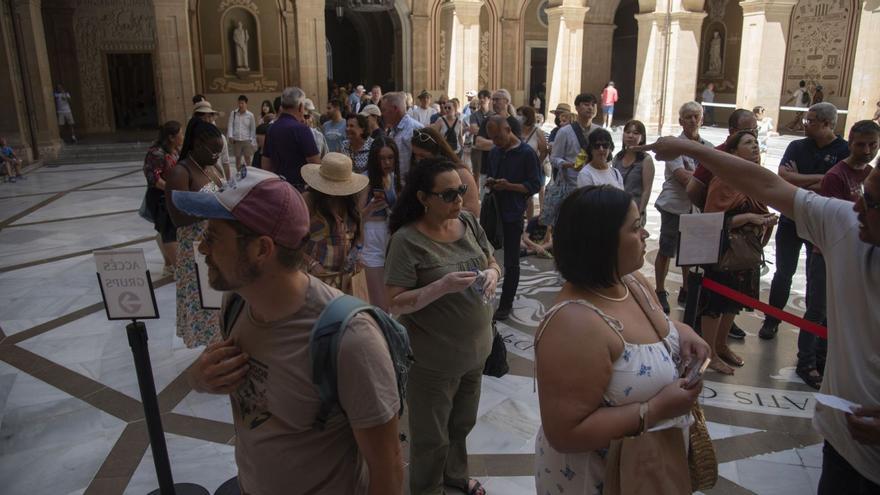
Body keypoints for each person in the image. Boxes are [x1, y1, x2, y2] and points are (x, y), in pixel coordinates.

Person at [639, 132, 880, 495]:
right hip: (843, 447)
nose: (857, 205)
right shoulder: (846, 225)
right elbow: (766, 183)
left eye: (872, 202)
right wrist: (689, 148)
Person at [175, 166, 403, 495]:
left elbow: (388, 469)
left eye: (212, 237)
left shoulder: (352, 341)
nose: (202, 249)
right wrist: (199, 378)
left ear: (262, 249)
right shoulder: (237, 303)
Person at [534, 185, 710, 495]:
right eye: (636, 228)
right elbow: (565, 432)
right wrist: (655, 409)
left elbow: (660, 328)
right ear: (601, 243)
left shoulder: (631, 281)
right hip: (601, 479)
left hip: (648, 467)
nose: (645, 236)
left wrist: (687, 335)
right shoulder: (574, 323)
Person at [385, 158, 500, 495]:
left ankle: (455, 477)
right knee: (431, 437)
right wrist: (441, 286)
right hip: (432, 360)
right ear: (424, 198)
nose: (459, 200)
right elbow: (395, 301)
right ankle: (427, 489)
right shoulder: (407, 241)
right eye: (448, 194)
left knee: (462, 423)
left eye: (461, 191)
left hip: (475, 351)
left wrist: (493, 273)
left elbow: (491, 259)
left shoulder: (467, 222)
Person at [757, 103, 849, 349]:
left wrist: (801, 183)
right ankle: (771, 320)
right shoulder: (797, 146)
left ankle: (811, 332)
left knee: (815, 277)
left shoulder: (844, 149)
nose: (804, 124)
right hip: (791, 217)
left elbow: (834, 185)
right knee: (783, 272)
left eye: (810, 121)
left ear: (828, 124)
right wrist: (821, 179)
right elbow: (784, 178)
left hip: (821, 223)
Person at [797, 120, 879, 389]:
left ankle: (824, 356)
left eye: (873, 145)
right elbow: (835, 218)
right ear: (850, 143)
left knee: (837, 313)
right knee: (818, 308)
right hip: (828, 254)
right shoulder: (836, 175)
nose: (867, 150)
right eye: (861, 144)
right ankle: (806, 360)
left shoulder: (870, 174)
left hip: (860, 255)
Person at [701, 131, 777, 375]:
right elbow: (711, 219)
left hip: (746, 252)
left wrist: (765, 220)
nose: (755, 146)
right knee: (715, 303)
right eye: (748, 143)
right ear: (733, 152)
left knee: (733, 301)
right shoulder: (724, 179)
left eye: (756, 142)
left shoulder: (754, 178)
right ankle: (710, 353)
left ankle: (721, 345)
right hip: (723, 251)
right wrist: (749, 217)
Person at [165, 120, 225, 348]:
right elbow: (177, 217)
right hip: (195, 251)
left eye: (219, 151)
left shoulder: (209, 168)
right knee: (205, 307)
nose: (216, 156)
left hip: (216, 246)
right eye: (213, 151)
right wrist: (212, 206)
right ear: (197, 144)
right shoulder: (180, 172)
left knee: (220, 305)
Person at [654, 101, 713, 314]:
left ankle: (687, 288)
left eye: (696, 116)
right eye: (688, 116)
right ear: (680, 121)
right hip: (674, 205)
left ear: (702, 119)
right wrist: (703, 176)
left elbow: (712, 176)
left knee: (690, 252)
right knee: (667, 249)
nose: (693, 120)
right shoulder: (673, 146)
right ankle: (660, 290)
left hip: (696, 208)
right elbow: (681, 177)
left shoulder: (708, 148)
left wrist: (697, 176)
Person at [485, 115, 542, 321]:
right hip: (494, 211)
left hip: (512, 213)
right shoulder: (494, 152)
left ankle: (506, 303)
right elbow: (489, 175)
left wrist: (509, 186)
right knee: (486, 254)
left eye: (498, 137)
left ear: (508, 130)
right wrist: (492, 182)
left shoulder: (526, 153)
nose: (496, 142)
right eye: (492, 138)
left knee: (511, 260)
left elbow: (534, 185)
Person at [299, 152, 366, 294]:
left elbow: (359, 236)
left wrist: (358, 254)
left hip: (344, 281)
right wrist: (311, 263)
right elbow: (289, 240)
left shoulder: (350, 203)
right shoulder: (308, 200)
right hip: (312, 280)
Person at [359, 138, 401, 310]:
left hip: (392, 238)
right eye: (382, 158)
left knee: (393, 302)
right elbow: (355, 216)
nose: (387, 163)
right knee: (379, 304)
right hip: (372, 240)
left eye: (390, 158)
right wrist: (369, 208)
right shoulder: (365, 179)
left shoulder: (396, 178)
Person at [142, 120, 183, 273]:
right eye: (180, 134)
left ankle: (169, 263)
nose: (182, 136)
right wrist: (172, 189)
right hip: (160, 197)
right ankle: (178, 269)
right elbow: (153, 177)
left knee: (166, 230)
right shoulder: (157, 153)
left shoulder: (175, 150)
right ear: (171, 137)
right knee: (168, 231)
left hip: (172, 195)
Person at [410, 127, 480, 216]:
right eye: (415, 155)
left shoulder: (461, 173)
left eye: (423, 156)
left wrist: (439, 210)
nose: (418, 160)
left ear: (437, 153)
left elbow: (473, 210)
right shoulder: (419, 172)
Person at [261, 87, 321, 190]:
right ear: (301, 107)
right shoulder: (302, 129)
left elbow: (266, 165)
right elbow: (315, 164)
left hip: (278, 187)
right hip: (298, 189)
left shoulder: (271, 129)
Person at [550, 93, 601, 191]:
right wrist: (569, 165)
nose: (590, 108)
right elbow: (554, 158)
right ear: (577, 107)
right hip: (572, 185)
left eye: (593, 105)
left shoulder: (600, 131)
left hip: (594, 183)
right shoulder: (564, 132)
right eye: (586, 104)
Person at [613, 120, 655, 225]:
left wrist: (640, 213)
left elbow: (647, 190)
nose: (630, 136)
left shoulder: (646, 160)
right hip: (618, 210)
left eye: (635, 133)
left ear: (642, 137)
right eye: (627, 132)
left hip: (635, 211)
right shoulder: (617, 157)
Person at [473, 89, 523, 176]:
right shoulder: (488, 120)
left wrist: (489, 144)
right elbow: (479, 143)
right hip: (487, 171)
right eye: (493, 100)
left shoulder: (514, 123)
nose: (494, 102)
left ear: (506, 101)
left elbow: (516, 147)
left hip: (508, 171)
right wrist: (503, 143)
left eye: (497, 99)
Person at [380, 91, 423, 179]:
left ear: (395, 109)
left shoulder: (415, 128)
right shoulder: (392, 130)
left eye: (384, 110)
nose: (382, 114)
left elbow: (422, 162)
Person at [517, 105, 549, 220]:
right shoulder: (516, 130)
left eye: (521, 115)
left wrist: (536, 164)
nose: (518, 117)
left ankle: (529, 222)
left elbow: (544, 151)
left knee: (529, 196)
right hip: (517, 167)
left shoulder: (537, 132)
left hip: (530, 169)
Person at [227, 95, 257, 169]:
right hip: (236, 140)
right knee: (238, 159)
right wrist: (230, 136)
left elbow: (253, 129)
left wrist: (252, 140)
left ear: (246, 104)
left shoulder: (250, 115)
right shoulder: (233, 113)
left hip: (246, 140)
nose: (240, 105)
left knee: (248, 159)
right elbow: (230, 125)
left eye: (242, 103)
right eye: (239, 103)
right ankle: (239, 175)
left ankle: (249, 174)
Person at [467, 89, 492, 176]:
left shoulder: (494, 115)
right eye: (480, 98)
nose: (482, 100)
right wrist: (489, 132)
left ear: (489, 99)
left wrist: (480, 130)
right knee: (476, 173)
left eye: (484, 98)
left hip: (490, 148)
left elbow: (496, 131)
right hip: (477, 148)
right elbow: (474, 130)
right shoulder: (474, 115)